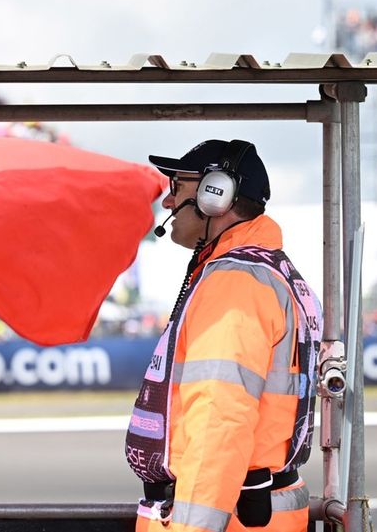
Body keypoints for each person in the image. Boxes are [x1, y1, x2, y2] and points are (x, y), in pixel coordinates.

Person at [125, 140, 322, 532]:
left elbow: (218, 420)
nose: (167, 204)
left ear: (215, 195)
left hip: (228, 517)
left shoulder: (236, 281)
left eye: (176, 187)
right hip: (254, 512)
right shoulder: (266, 269)